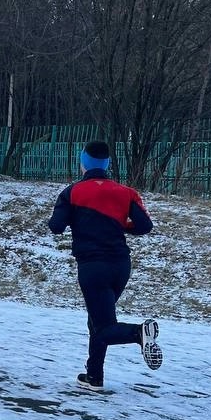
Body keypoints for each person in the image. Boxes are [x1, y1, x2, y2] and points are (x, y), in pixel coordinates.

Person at [48, 140, 162, 391]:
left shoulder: (72, 192)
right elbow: (144, 226)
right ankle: (94, 377)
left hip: (92, 266)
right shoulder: (126, 192)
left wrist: (78, 221)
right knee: (98, 320)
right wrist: (120, 225)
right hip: (121, 265)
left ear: (84, 163)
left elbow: (56, 226)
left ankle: (139, 333)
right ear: (107, 164)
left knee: (103, 327)